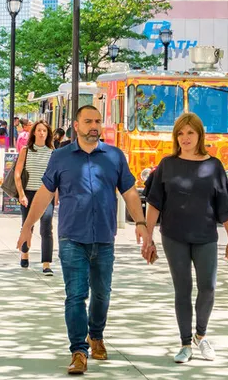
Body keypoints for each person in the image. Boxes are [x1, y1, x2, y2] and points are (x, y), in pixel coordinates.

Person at [18, 105, 152, 375]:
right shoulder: (60, 157)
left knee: (102, 294)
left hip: (103, 237)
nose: (95, 125)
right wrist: (27, 227)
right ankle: (78, 350)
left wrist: (141, 223)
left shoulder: (114, 156)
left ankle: (97, 335)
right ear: (76, 126)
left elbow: (129, 192)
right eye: (89, 121)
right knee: (76, 295)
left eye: (98, 121)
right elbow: (44, 193)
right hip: (72, 238)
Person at [142, 113, 228, 364]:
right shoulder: (167, 164)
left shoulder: (214, 166)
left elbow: (225, 207)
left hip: (206, 235)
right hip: (174, 236)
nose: (185, 138)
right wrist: (148, 237)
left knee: (208, 287)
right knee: (182, 289)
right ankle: (185, 343)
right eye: (180, 133)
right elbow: (154, 203)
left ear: (199, 135)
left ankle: (201, 335)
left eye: (190, 133)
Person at [15, 120, 57, 276]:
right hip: (29, 193)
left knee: (47, 226)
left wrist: (56, 196)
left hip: (46, 194)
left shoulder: (53, 152)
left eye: (44, 131)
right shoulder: (26, 151)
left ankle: (46, 263)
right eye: (39, 130)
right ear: (33, 132)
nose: (41, 133)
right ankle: (24, 253)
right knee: (27, 225)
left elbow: (55, 176)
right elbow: (18, 174)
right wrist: (21, 194)